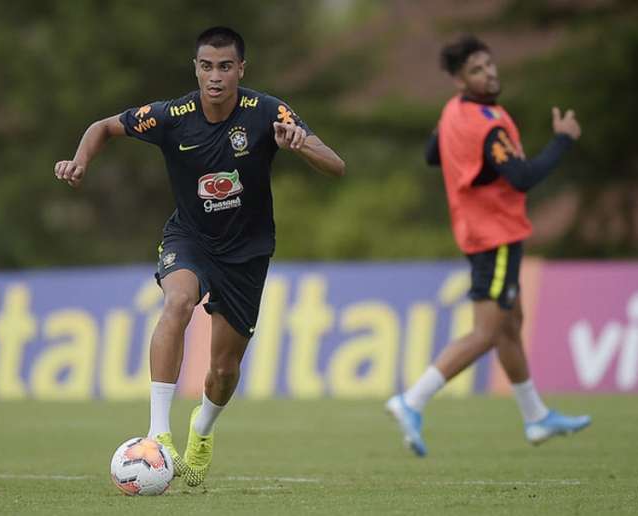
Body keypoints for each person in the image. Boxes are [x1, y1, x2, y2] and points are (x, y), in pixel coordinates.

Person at [54, 27, 345, 485]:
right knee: (177, 303)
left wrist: (300, 144)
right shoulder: (173, 115)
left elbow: (336, 165)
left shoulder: (267, 111)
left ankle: (202, 431)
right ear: (196, 68)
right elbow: (103, 127)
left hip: (247, 251)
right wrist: (80, 162)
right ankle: (158, 436)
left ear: (240, 69)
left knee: (223, 370)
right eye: (207, 66)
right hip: (189, 238)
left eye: (225, 66)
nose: (215, 76)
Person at [386, 35, 589, 457]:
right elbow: (522, 177)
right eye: (477, 69)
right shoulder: (487, 123)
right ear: (461, 80)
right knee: (487, 332)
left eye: (489, 64)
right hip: (495, 236)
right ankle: (413, 400)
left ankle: (535, 417)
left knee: (511, 321)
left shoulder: (454, 112)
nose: (489, 73)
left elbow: (430, 153)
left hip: (484, 232)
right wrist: (563, 140)